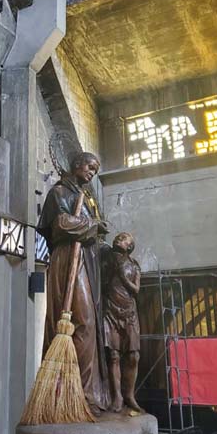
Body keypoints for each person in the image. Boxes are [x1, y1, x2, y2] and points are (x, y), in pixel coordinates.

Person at [37, 151, 110, 416]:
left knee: (89, 324)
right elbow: (62, 224)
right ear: (77, 165)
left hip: (86, 260)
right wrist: (94, 225)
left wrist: (94, 224)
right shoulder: (59, 192)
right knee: (82, 321)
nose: (92, 173)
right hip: (69, 258)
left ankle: (86, 392)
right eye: (90, 167)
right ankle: (70, 391)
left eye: (96, 170)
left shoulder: (85, 197)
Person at [102, 232, 142, 412]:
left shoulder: (134, 265)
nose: (119, 238)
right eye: (118, 236)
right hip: (111, 309)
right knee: (114, 355)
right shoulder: (107, 260)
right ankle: (117, 396)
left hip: (129, 312)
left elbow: (136, 289)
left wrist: (124, 277)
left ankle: (130, 395)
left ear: (130, 246)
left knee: (133, 356)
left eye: (124, 237)